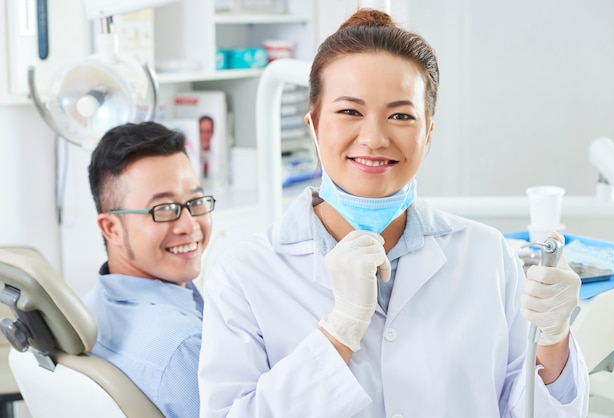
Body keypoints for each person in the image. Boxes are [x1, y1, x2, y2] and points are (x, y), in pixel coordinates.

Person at [198, 9, 588, 417]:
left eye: (401, 115)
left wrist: (553, 337)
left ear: (428, 132)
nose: (374, 138)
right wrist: (339, 331)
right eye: (350, 111)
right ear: (314, 125)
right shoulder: (245, 275)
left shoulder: (486, 254)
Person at [84, 121, 215, 418]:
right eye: (164, 209)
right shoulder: (183, 348)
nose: (190, 225)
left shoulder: (87, 307)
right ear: (111, 228)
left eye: (195, 201)